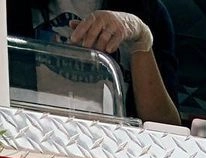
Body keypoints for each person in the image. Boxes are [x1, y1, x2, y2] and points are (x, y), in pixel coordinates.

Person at [6, 0, 181, 124]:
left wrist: (141, 39)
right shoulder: (11, 7)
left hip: (113, 151)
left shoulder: (150, 11)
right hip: (26, 136)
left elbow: (167, 127)